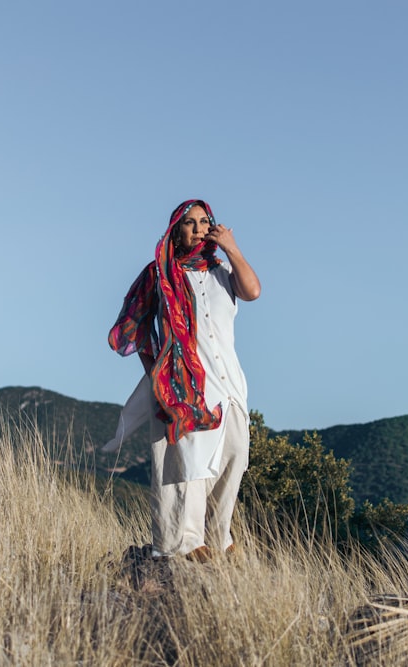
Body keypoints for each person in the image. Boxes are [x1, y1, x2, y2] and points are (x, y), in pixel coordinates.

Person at [105, 199, 261, 562]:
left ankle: (218, 536)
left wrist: (232, 248)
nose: (199, 228)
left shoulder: (224, 272)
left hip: (229, 386)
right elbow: (134, 328)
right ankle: (182, 543)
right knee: (186, 466)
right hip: (184, 387)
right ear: (177, 230)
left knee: (232, 459)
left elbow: (253, 291)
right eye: (190, 223)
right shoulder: (159, 275)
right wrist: (158, 375)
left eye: (205, 221)